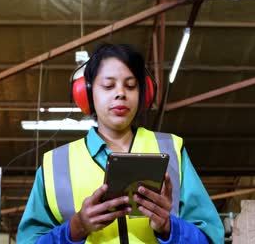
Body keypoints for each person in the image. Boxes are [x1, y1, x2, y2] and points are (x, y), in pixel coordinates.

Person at [17, 43, 224, 243]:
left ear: (142, 94)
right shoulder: (56, 165)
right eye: (108, 85)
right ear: (87, 94)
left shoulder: (172, 150)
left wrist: (168, 227)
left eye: (131, 86)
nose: (120, 93)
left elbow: (211, 238)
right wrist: (76, 228)